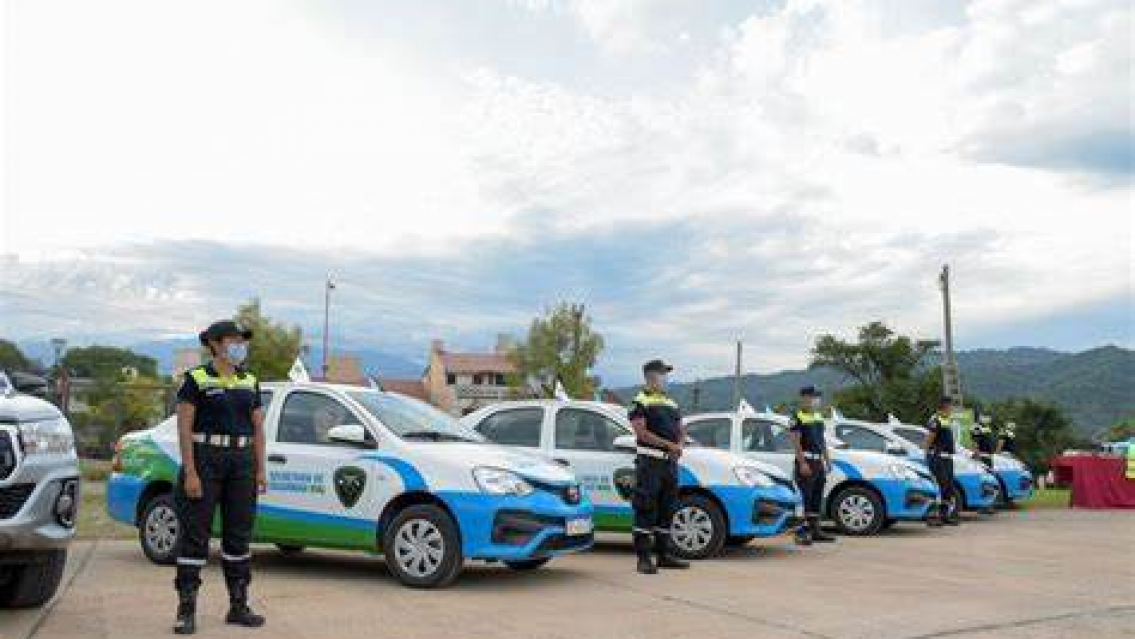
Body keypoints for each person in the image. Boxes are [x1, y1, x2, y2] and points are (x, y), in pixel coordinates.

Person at [173, 320, 267, 634]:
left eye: (243, 340)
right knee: (195, 537)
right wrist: (190, 472)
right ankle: (186, 610)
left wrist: (260, 469)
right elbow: (184, 428)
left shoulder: (249, 380)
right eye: (234, 340)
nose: (240, 345)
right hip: (205, 460)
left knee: (239, 537)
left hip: (241, 462)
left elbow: (258, 428)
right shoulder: (196, 379)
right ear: (215, 344)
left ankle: (238, 606)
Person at [627, 359, 690, 575]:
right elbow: (641, 433)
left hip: (669, 463)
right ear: (651, 376)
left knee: (668, 507)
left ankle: (664, 555)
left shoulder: (671, 402)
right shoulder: (639, 401)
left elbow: (681, 429)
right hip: (650, 462)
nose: (666, 378)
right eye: (663, 374)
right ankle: (644, 558)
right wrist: (670, 445)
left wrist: (679, 445)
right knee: (646, 508)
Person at [789, 386, 835, 545]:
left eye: (817, 397)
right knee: (804, 498)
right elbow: (795, 442)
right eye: (813, 397)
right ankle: (801, 533)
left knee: (816, 497)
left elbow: (822, 441)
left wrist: (827, 461)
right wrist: (802, 463)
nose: (817, 400)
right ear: (804, 398)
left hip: (818, 462)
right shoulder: (797, 416)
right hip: (806, 462)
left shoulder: (818, 416)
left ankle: (815, 530)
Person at [924, 396, 960, 526]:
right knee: (938, 487)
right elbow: (929, 439)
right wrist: (927, 455)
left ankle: (945, 515)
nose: (951, 409)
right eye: (950, 406)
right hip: (937, 458)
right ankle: (933, 516)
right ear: (944, 406)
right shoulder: (935, 420)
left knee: (948, 488)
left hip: (947, 459)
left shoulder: (947, 420)